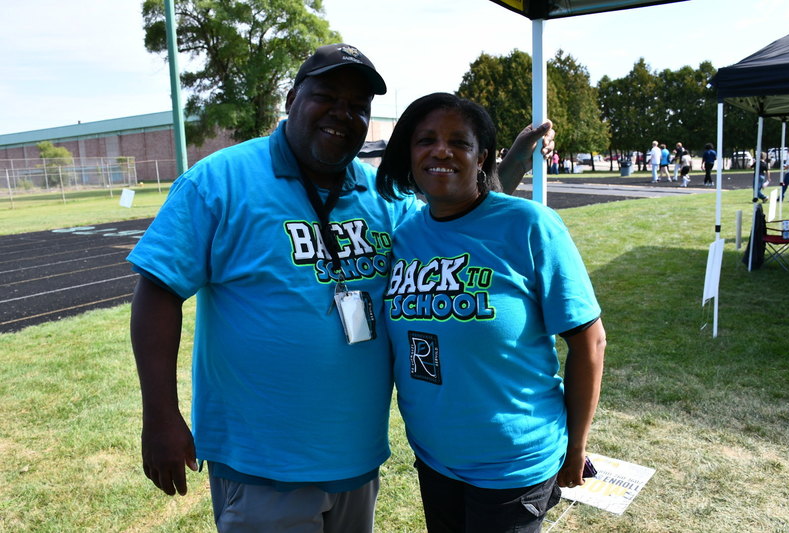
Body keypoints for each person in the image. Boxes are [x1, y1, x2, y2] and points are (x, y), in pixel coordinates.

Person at [127, 43, 555, 533]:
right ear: (292, 99)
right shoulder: (219, 182)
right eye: (326, 96)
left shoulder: (381, 195)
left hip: (356, 458)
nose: (342, 113)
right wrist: (159, 415)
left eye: (357, 105)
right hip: (262, 464)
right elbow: (158, 292)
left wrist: (509, 167)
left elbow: (455, 222)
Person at [376, 93, 606, 533]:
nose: (440, 151)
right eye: (426, 140)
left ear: (481, 156)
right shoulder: (404, 235)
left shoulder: (530, 225)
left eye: (458, 142)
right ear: (409, 153)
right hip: (433, 458)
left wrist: (576, 446)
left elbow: (590, 342)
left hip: (512, 467)